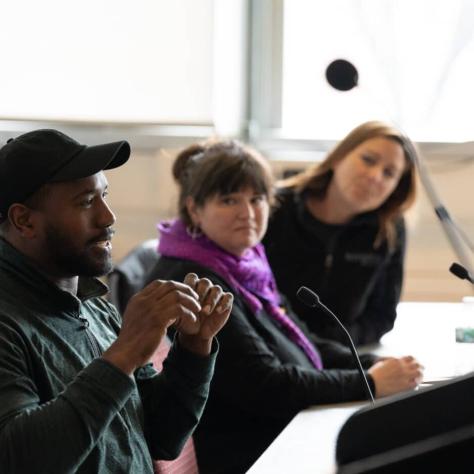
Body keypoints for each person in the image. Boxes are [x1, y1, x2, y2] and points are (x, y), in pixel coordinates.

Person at [146, 139, 423, 474]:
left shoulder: (245, 263)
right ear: (194, 209)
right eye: (229, 200)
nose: (247, 213)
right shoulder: (197, 281)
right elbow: (267, 386)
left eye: (257, 199)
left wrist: (374, 364)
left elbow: (302, 342)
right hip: (251, 452)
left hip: (283, 430)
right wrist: (370, 382)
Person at [0, 129, 233, 474]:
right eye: (85, 202)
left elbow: (161, 437)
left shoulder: (92, 306)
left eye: (104, 195)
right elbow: (21, 459)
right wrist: (123, 354)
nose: (108, 217)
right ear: (24, 220)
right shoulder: (7, 322)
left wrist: (194, 349)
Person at [263, 121, 418, 346]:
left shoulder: (390, 229)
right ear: (339, 157)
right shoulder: (274, 207)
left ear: (396, 187)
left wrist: (330, 347)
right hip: (275, 346)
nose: (375, 176)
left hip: (344, 353)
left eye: (389, 173)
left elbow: (381, 317)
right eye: (368, 160)